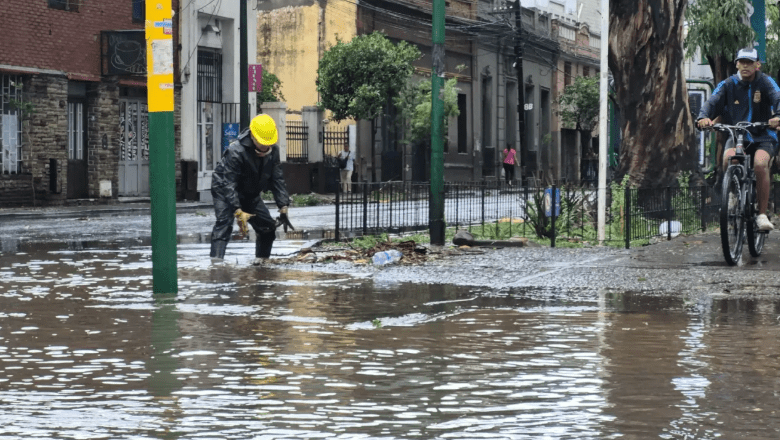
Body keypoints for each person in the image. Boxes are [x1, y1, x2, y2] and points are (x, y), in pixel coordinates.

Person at [697, 47, 780, 231]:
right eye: (742, 62)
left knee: (760, 164)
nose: (745, 66)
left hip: (763, 135)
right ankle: (733, 192)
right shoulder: (728, 84)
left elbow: (778, 97)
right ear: (737, 64)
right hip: (737, 135)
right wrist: (703, 117)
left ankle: (761, 214)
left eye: (749, 62)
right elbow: (712, 101)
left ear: (757, 65)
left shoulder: (766, 82)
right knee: (728, 158)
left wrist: (778, 116)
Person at [210, 114, 292, 265]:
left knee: (267, 226)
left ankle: (261, 262)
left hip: (250, 192)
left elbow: (277, 179)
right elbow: (229, 183)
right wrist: (237, 209)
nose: (265, 147)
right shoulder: (236, 151)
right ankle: (216, 265)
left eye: (268, 143)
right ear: (253, 136)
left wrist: (283, 205)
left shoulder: (273, 151)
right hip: (224, 189)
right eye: (262, 143)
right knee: (224, 224)